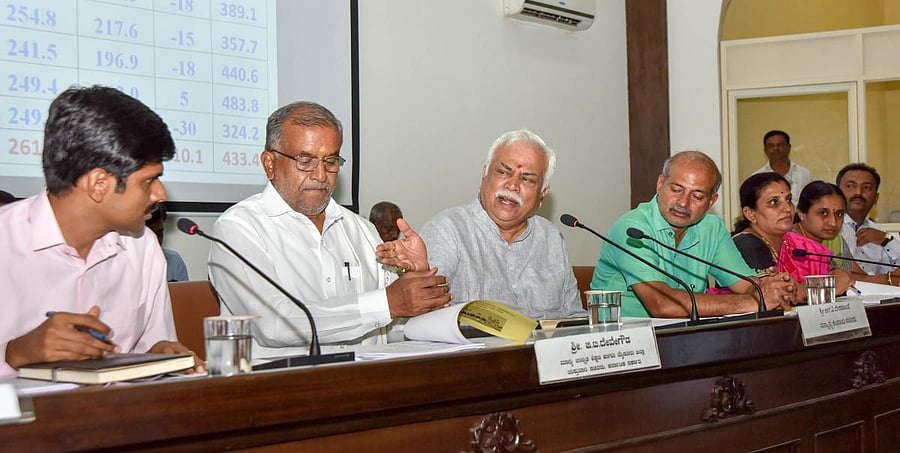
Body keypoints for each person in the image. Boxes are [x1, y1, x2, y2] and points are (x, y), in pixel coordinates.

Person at [208, 101, 451, 359]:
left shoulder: (362, 231)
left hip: (367, 385)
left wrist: (417, 284)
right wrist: (387, 303)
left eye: (331, 161)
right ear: (269, 163)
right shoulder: (238, 228)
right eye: (305, 161)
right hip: (280, 390)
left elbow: (395, 332)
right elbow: (272, 324)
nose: (321, 175)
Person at [0, 86, 203, 377]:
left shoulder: (142, 248)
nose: (160, 193)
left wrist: (158, 360)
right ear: (99, 184)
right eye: (149, 181)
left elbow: (150, 350)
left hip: (117, 418)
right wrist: (14, 353)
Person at [375, 129, 583, 320]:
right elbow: (427, 318)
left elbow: (574, 317)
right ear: (484, 174)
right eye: (503, 172)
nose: (512, 185)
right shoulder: (448, 229)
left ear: (542, 195)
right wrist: (420, 275)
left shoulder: (551, 238)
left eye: (527, 179)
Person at [591, 151, 795, 318]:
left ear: (711, 202)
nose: (683, 203)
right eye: (676, 189)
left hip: (685, 338)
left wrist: (772, 288)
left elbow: (745, 285)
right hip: (625, 346)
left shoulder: (711, 228)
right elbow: (661, 306)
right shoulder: (632, 229)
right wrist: (753, 302)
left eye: (697, 196)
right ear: (660, 184)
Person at [731, 173, 852, 298]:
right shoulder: (747, 244)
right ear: (750, 213)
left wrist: (835, 274)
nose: (787, 209)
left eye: (788, 200)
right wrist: (828, 287)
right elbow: (773, 293)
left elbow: (834, 274)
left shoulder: (795, 243)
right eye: (774, 202)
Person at [793, 180, 896, 284]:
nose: (833, 223)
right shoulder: (789, 241)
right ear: (801, 213)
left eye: (839, 214)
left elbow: (856, 276)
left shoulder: (835, 239)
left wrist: (890, 278)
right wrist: (889, 279)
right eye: (823, 213)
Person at [837, 163, 900, 277]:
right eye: (850, 186)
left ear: (876, 198)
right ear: (837, 192)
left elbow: (895, 273)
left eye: (867, 187)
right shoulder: (829, 228)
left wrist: (887, 239)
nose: (858, 193)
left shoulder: (879, 232)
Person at [752, 130, 812, 202]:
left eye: (780, 145)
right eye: (771, 145)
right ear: (765, 150)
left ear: (788, 147)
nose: (775, 148)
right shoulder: (757, 177)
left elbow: (810, 203)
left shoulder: (804, 174)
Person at [146, 203, 189, 282]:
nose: (157, 241)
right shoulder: (122, 261)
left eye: (159, 234)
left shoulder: (174, 259)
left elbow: (185, 293)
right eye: (150, 235)